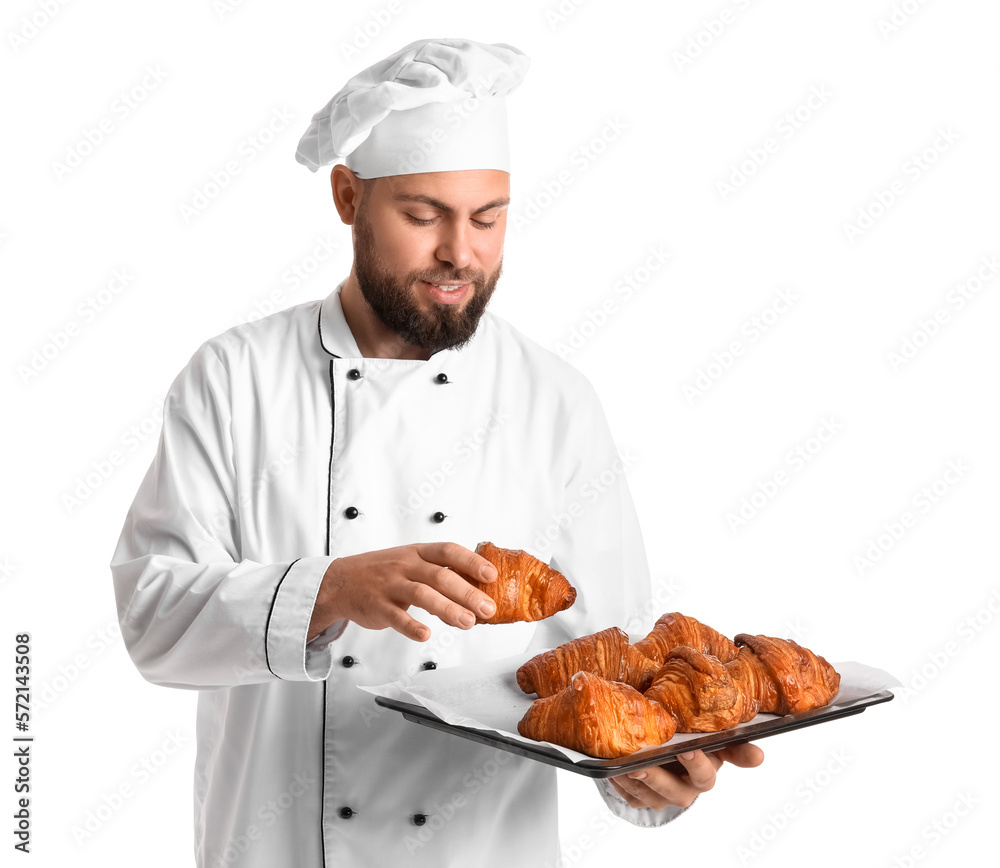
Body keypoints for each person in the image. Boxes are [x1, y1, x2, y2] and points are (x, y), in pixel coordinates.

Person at [111, 37, 762, 868]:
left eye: (489, 218)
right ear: (349, 198)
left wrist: (647, 774)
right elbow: (152, 620)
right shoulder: (234, 379)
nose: (461, 252)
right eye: (423, 216)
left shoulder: (553, 399)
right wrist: (328, 587)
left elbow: (621, 661)